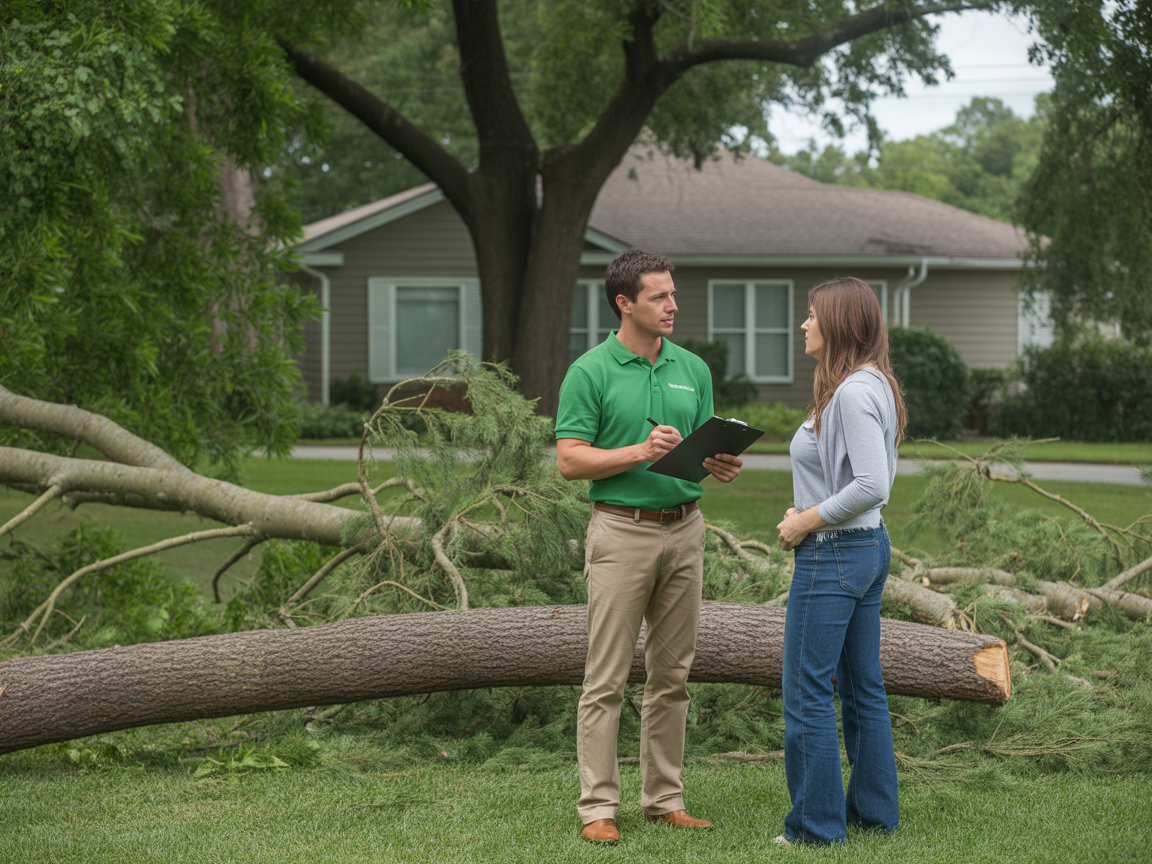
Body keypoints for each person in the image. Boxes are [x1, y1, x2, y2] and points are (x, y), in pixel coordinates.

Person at [555, 248, 743, 844]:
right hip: (620, 531)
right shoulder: (590, 371)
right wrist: (640, 452)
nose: (672, 305)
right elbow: (569, 461)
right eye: (659, 296)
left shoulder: (693, 367)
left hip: (686, 530)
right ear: (624, 303)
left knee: (673, 675)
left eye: (672, 294)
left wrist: (718, 463)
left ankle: (664, 799)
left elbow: (701, 452)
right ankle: (597, 810)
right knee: (606, 677)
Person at [774, 276, 907, 846]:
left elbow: (874, 484)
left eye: (811, 316)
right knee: (862, 687)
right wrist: (814, 506)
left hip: (834, 554)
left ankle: (815, 827)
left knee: (807, 691)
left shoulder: (853, 391)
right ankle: (875, 815)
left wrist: (808, 520)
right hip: (865, 549)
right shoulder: (872, 382)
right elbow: (850, 479)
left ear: (839, 324)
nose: (804, 324)